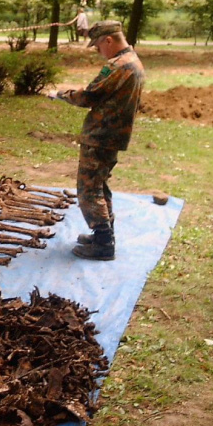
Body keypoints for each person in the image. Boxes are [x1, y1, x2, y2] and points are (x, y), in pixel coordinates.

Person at [49, 21, 145, 260]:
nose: (97, 51)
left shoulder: (118, 66)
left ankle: (103, 244)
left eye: (98, 46)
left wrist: (60, 94)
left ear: (109, 40)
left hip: (102, 135)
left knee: (89, 189)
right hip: (114, 135)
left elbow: (90, 96)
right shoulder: (133, 61)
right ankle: (104, 235)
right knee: (100, 186)